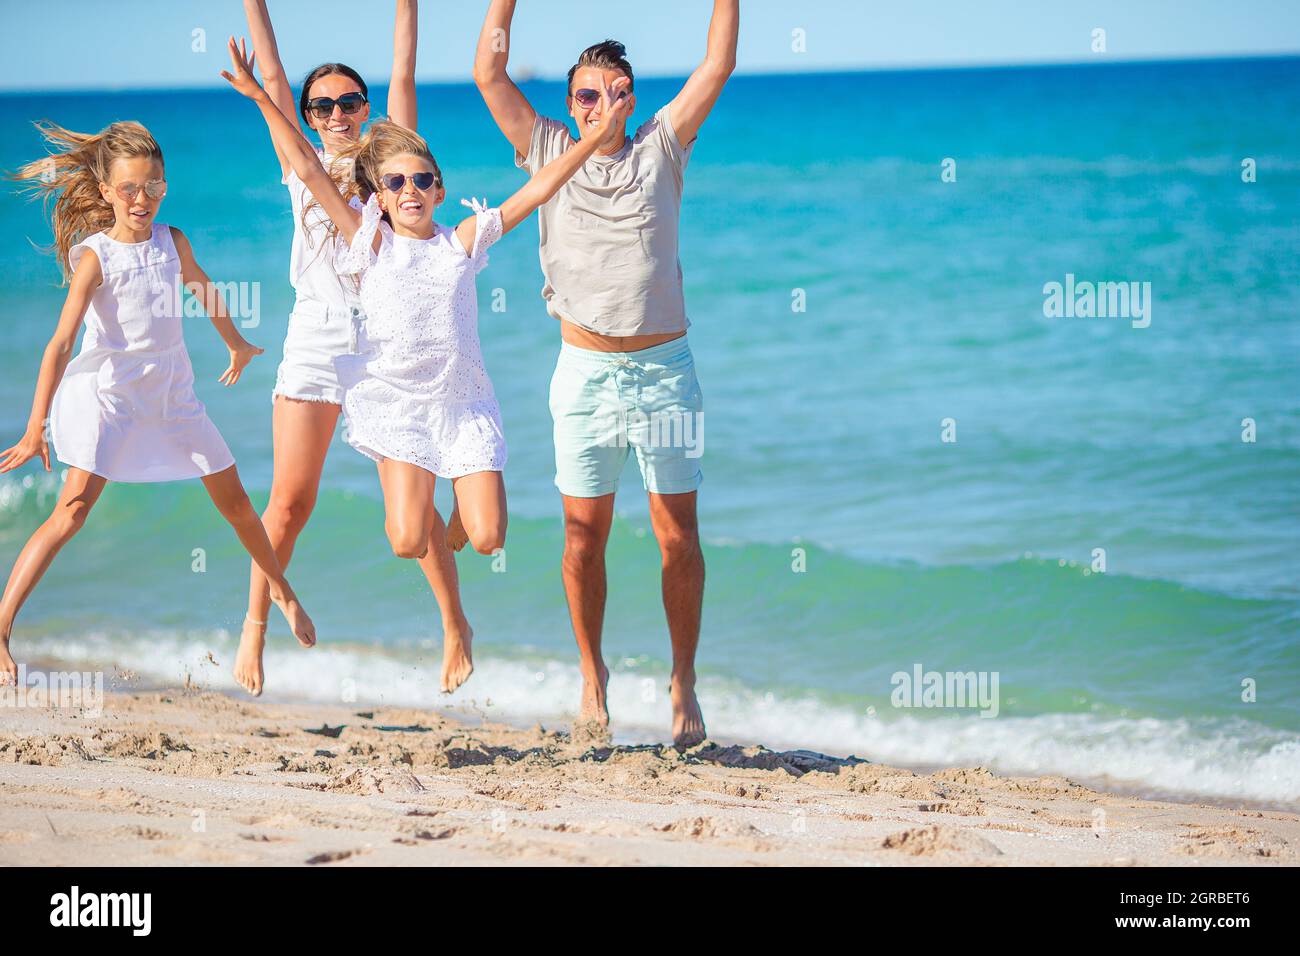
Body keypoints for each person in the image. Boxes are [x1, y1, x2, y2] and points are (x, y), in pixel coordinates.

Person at [222, 37, 630, 684]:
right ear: (376, 196)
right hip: (397, 405)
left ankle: (467, 518)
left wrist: (596, 137)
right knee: (408, 539)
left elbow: (543, 184)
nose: (409, 189)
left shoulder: (463, 241)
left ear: (439, 190)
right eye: (395, 182)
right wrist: (259, 99)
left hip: (462, 404)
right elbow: (302, 163)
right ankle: (437, 586)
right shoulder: (366, 241)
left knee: (490, 537)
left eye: (421, 180)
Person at [473, 0, 739, 747]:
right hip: (584, 370)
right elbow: (488, 71)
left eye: (615, 91)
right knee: (580, 538)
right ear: (568, 105)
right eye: (587, 93)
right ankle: (593, 675)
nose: (601, 104)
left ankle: (682, 678)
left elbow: (716, 62)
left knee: (676, 538)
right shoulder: (546, 146)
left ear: (633, 97)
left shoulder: (662, 145)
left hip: (665, 373)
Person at [0, 119, 316, 686]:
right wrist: (34, 429)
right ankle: (1, 627)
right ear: (106, 193)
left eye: (153, 187)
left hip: (174, 399)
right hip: (112, 402)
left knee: (239, 503)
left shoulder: (173, 242)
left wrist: (236, 342)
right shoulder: (94, 257)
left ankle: (281, 590)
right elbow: (60, 343)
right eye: (129, 190)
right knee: (71, 512)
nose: (142, 200)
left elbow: (203, 287)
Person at [234, 1, 474, 697]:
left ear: (366, 107)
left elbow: (405, 64)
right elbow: (271, 75)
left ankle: (454, 625)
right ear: (306, 115)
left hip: (382, 348)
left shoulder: (391, 164)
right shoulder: (299, 160)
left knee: (415, 501)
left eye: (348, 101)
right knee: (288, 503)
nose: (336, 114)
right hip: (313, 341)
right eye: (321, 105)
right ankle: (254, 626)